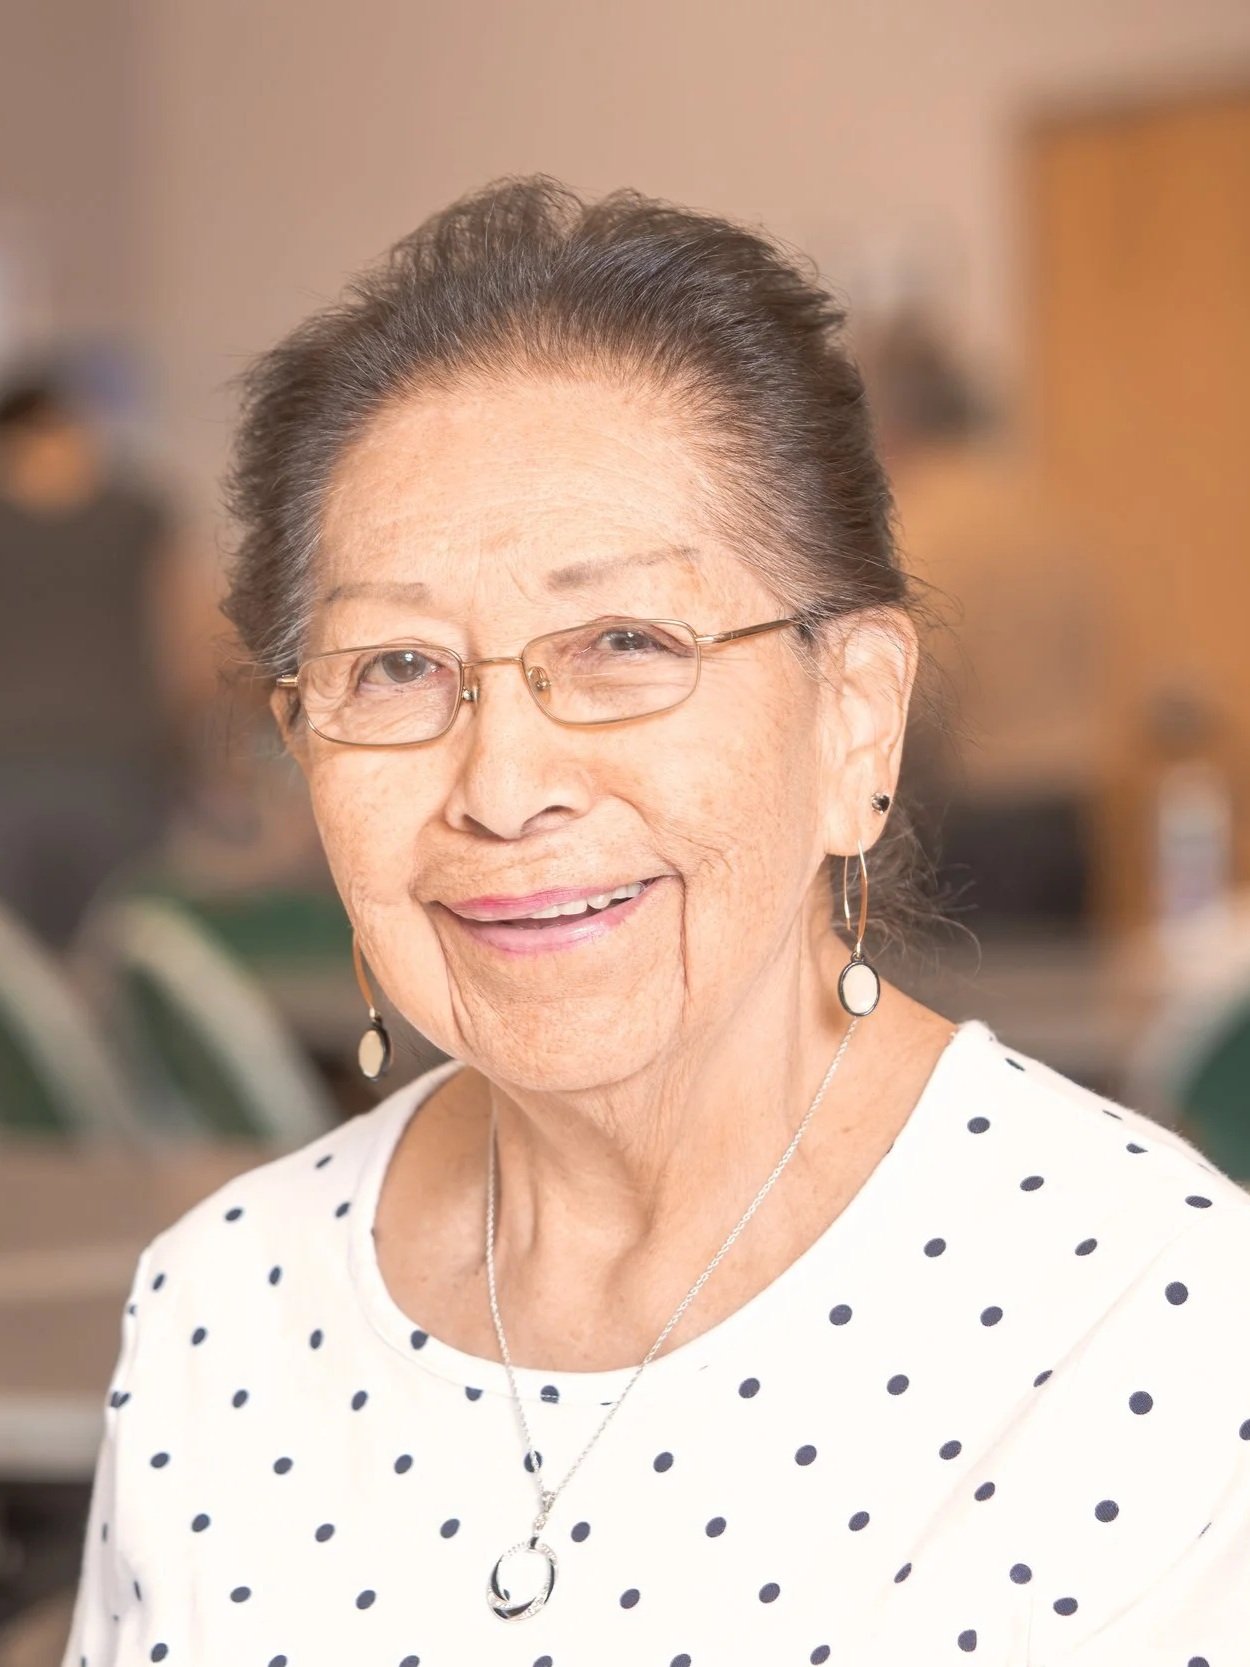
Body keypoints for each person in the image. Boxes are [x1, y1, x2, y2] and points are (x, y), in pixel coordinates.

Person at [62, 178, 1250, 1665]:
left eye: (625, 641)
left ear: (855, 719)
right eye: (397, 667)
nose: (500, 786)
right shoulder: (215, 1307)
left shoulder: (1159, 1324)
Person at [0, 374, 187, 945]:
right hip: (98, 762)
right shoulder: (137, 513)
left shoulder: (139, 516)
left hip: (109, 762)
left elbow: (179, 629)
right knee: (115, 943)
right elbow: (184, 633)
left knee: (83, 948)